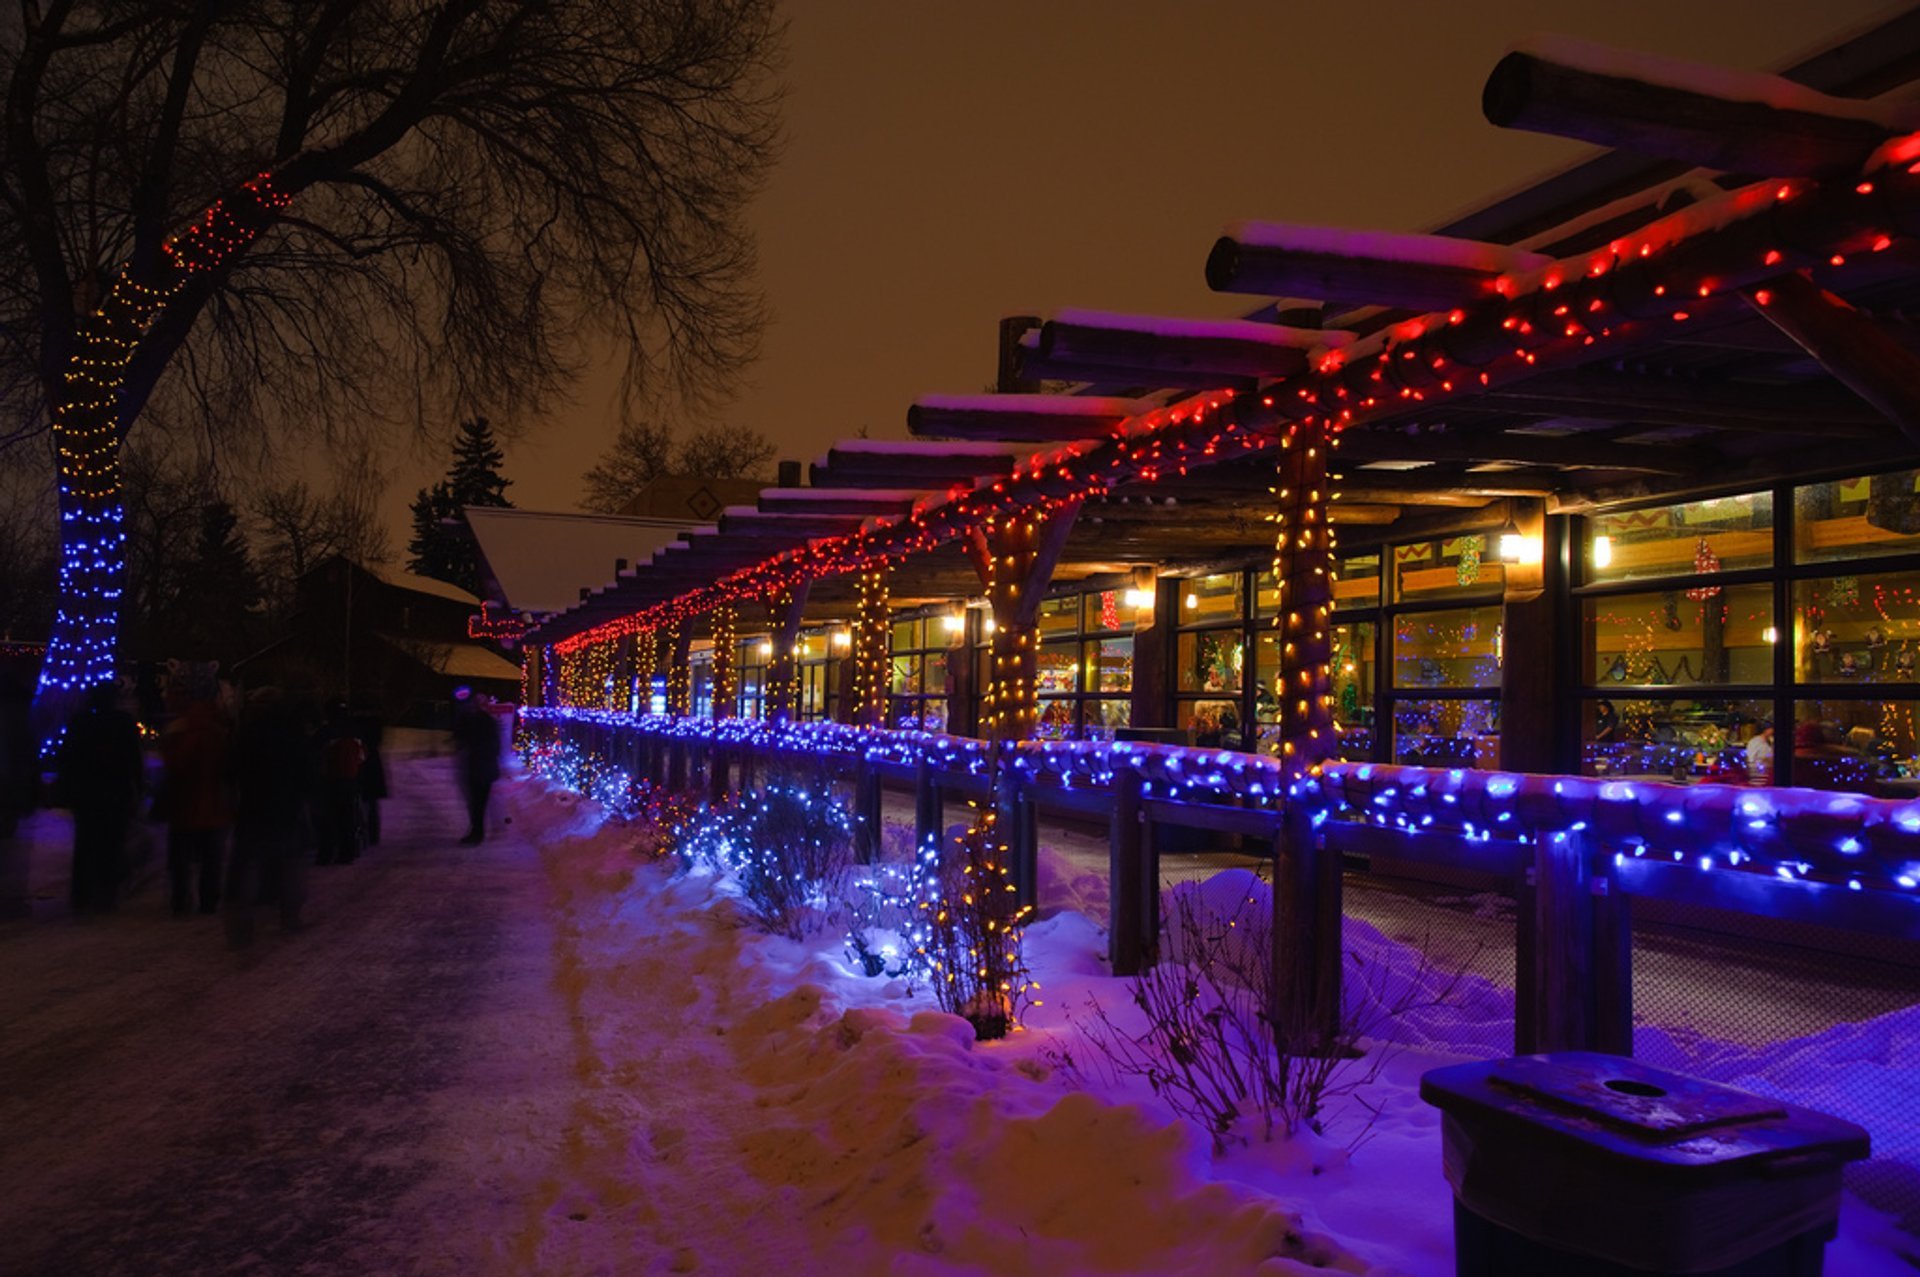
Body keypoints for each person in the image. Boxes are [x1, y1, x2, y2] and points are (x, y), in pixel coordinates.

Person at [226, 687, 311, 945]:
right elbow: (306, 770)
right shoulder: (293, 733)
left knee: (244, 868)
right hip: (287, 809)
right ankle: (289, 916)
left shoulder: (246, 734)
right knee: (290, 865)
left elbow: (230, 770)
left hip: (253, 809)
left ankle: (240, 928)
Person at [54, 682, 144, 914]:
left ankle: (82, 894)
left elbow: (67, 758)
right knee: (111, 843)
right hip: (114, 791)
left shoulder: (80, 722)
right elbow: (134, 758)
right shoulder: (122, 723)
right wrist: (138, 785)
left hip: (87, 792)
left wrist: (67, 786)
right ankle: (106, 893)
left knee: (85, 843)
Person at [159, 687, 233, 915]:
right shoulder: (219, 733)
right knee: (211, 859)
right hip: (214, 805)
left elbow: (173, 766)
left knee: (181, 860)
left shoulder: (177, 731)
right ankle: (208, 901)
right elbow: (229, 769)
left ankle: (181, 902)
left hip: (184, 804)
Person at [0, 669, 37, 919]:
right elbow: (25, 754)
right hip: (10, 790)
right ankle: (8, 900)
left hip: (9, 787)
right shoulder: (21, 716)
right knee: (8, 847)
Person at [314, 701, 365, 865]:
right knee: (347, 817)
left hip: (329, 779)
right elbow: (363, 756)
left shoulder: (325, 732)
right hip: (350, 779)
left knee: (327, 818)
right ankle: (347, 852)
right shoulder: (355, 732)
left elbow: (314, 751)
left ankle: (326, 853)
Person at [451, 686, 501, 845]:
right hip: (484, 767)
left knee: (476, 802)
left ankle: (476, 832)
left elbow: (462, 737)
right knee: (479, 802)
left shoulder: (475, 721)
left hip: (477, 766)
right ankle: (477, 831)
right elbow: (494, 747)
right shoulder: (490, 722)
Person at [354, 709, 389, 846]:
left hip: (361, 764)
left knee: (361, 801)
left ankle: (363, 833)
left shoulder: (356, 726)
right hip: (372, 765)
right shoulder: (375, 724)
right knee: (371, 802)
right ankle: (372, 835)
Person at [1744, 722, 1775, 787]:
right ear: (1766, 730)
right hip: (1758, 775)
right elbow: (1751, 758)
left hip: (1768, 774)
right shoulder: (1755, 742)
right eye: (1771, 728)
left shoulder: (1769, 742)